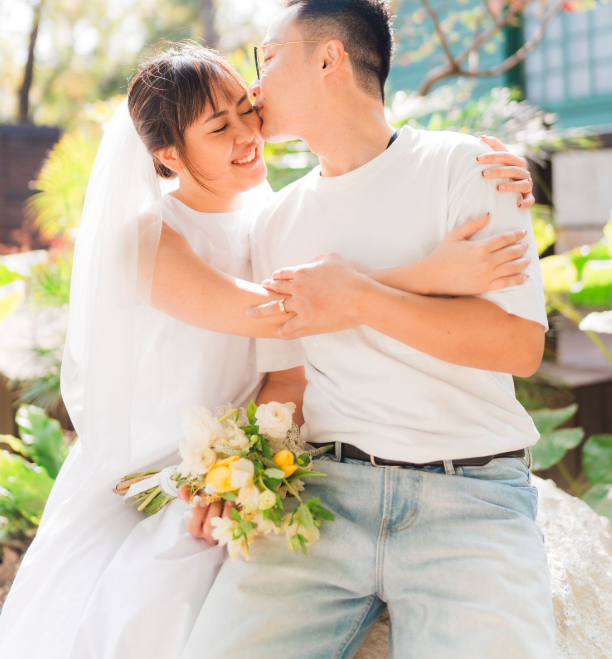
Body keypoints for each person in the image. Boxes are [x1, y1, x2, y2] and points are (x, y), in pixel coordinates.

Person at [0, 37, 533, 659]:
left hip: (237, 449)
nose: (248, 131)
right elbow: (279, 315)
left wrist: (497, 172)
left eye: (245, 108)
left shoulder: (271, 219)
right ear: (169, 153)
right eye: (218, 126)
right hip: (155, 469)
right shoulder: (146, 239)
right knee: (154, 606)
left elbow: (306, 332)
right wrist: (432, 274)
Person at [182, 0, 556, 659]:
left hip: (469, 503)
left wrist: (357, 297)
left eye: (268, 58)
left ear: (329, 59)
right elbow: (289, 381)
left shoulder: (467, 168)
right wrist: (237, 475)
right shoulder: (277, 220)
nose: (253, 85)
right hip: (327, 499)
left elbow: (518, 345)